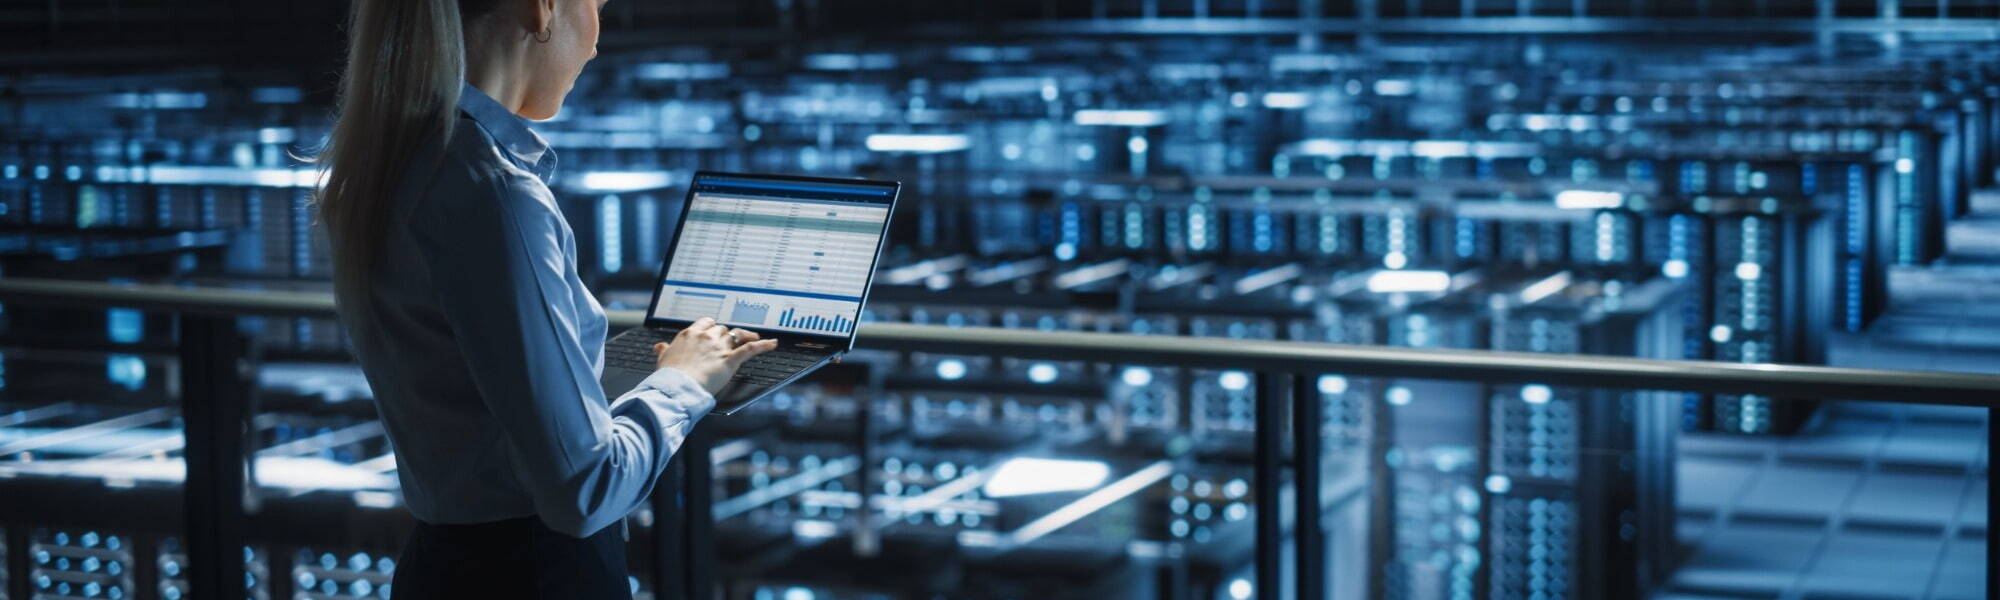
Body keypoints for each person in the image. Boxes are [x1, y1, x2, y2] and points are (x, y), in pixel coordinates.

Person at [311, 0, 777, 597]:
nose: (597, 40)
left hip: (444, 566)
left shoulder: (399, 163)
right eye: (599, 6)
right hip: (535, 575)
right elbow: (585, 490)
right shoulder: (495, 195)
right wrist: (684, 383)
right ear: (543, 9)